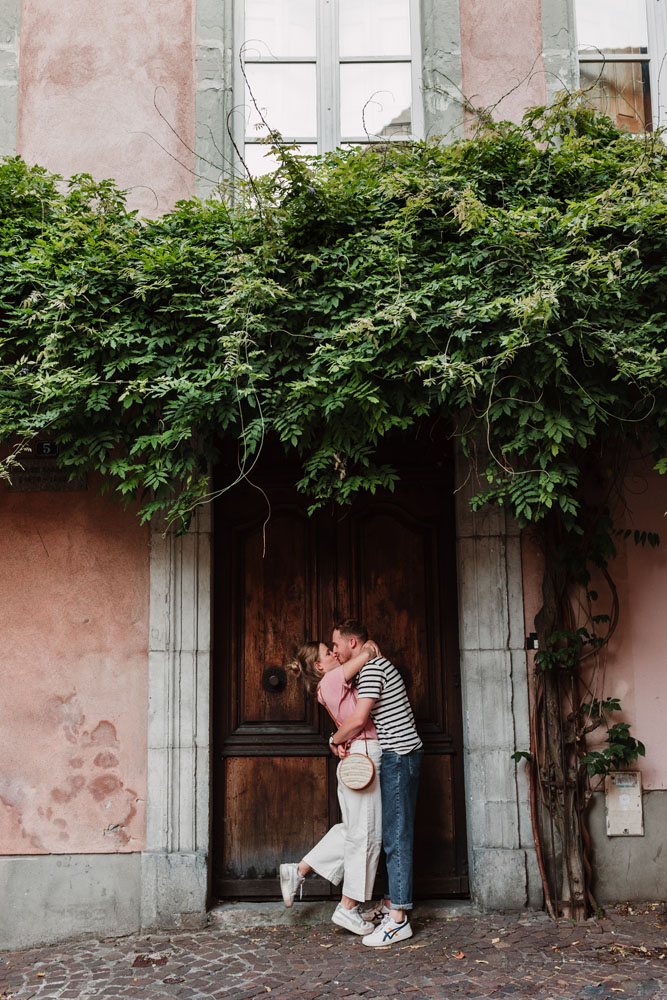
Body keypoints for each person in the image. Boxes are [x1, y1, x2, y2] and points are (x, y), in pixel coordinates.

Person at [330, 618, 423, 947]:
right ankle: (391, 904)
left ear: (352, 643)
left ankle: (398, 920)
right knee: (393, 834)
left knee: (396, 837)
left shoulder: (371, 670)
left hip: (399, 756)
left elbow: (357, 720)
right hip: (401, 755)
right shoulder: (372, 665)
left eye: (337, 645)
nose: (335, 652)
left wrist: (333, 739)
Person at [281, 638, 383, 936]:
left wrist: (334, 740)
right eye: (329, 651)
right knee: (366, 835)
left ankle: (298, 871)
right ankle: (348, 908)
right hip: (363, 755)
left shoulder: (328, 685)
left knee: (354, 831)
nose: (335, 653)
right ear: (319, 665)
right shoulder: (333, 678)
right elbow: (367, 653)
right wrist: (366, 647)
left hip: (355, 757)